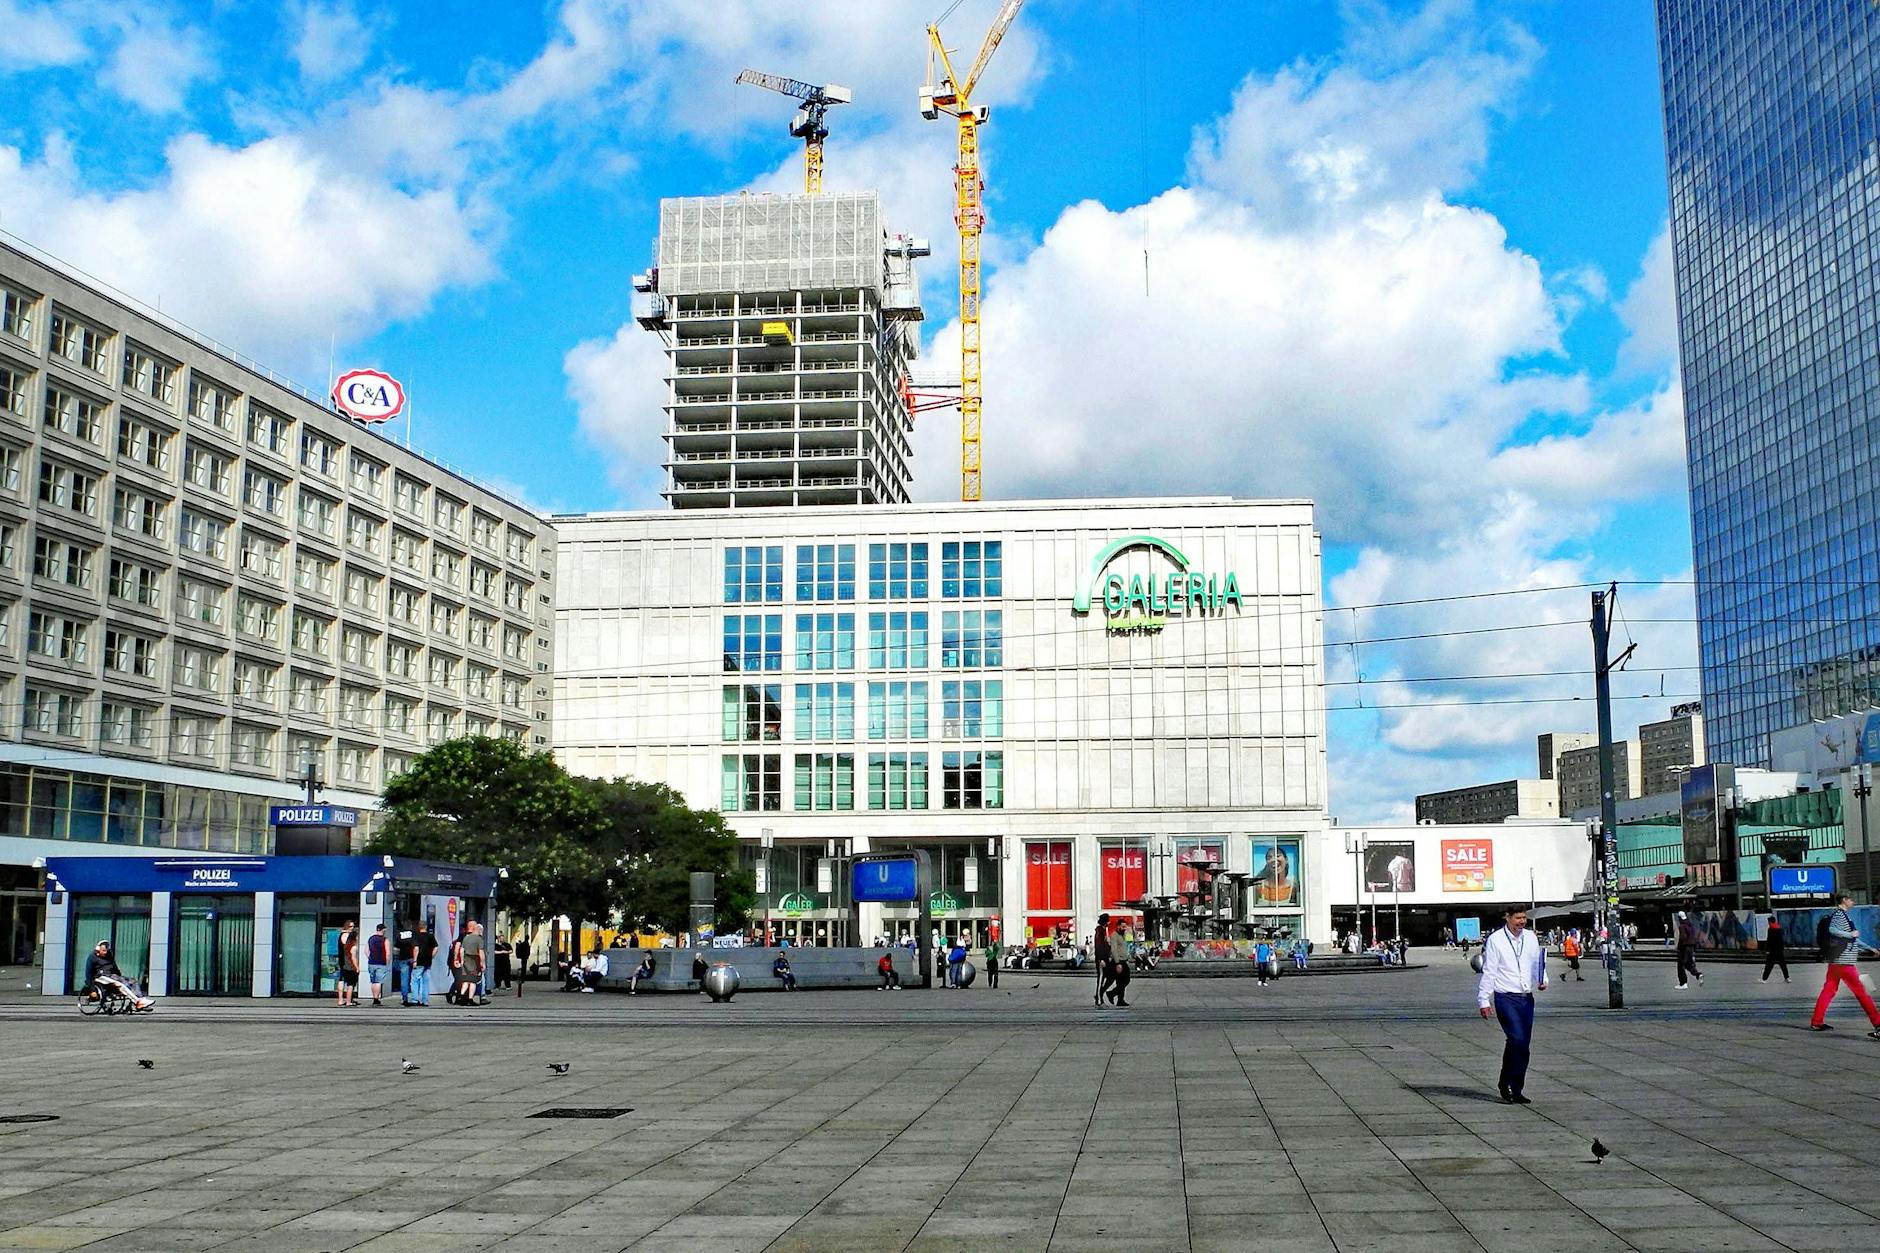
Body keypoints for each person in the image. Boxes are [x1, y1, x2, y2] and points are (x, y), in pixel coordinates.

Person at [1477, 906, 1547, 1104]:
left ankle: (1516, 1087)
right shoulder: (1496, 940)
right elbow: (1489, 970)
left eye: (1524, 918)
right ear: (1507, 918)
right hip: (1505, 996)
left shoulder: (1531, 937)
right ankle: (1505, 1082)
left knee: (1523, 1045)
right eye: (1518, 918)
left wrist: (1542, 980)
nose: (1521, 922)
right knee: (1516, 1039)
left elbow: (1537, 964)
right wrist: (1484, 999)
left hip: (1526, 997)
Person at [1809, 895, 1880, 1036]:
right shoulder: (1839, 915)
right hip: (1844, 962)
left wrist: (1869, 948)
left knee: (1828, 990)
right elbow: (1833, 930)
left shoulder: (1844, 915)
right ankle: (1878, 1024)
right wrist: (1850, 934)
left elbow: (1853, 939)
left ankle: (1816, 1021)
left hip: (1837, 961)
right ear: (1844, 900)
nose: (1853, 902)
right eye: (1851, 899)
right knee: (1863, 992)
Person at [83, 940, 153, 1011]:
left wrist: (120, 976)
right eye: (103, 950)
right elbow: (88, 974)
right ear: (98, 949)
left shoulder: (109, 954)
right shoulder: (92, 957)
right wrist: (92, 990)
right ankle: (138, 1002)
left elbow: (114, 966)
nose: (105, 952)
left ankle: (141, 998)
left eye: (106, 950)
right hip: (100, 976)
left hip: (112, 975)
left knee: (133, 981)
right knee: (120, 984)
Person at [410, 923, 437, 1007]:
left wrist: (415, 960)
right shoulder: (431, 936)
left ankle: (415, 999)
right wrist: (431, 956)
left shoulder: (417, 936)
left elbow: (416, 949)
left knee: (415, 980)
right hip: (428, 962)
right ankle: (425, 1001)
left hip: (419, 961)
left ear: (419, 927)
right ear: (426, 927)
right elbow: (436, 947)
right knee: (426, 981)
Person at [1674, 911, 1703, 988]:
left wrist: (1679, 947)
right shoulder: (1690, 925)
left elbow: (1683, 937)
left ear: (1679, 918)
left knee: (1680, 965)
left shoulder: (1682, 926)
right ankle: (1698, 974)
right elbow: (1694, 937)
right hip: (1691, 947)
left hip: (1684, 948)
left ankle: (1683, 983)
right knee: (1689, 965)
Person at [365, 923, 391, 1006]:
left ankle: (374, 998)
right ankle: (376, 999)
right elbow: (388, 953)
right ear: (383, 930)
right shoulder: (385, 940)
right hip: (381, 963)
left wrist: (370, 957)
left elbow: (366, 951)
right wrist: (387, 963)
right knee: (378, 982)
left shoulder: (371, 939)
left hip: (372, 962)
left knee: (373, 981)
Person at [336, 920, 359, 1007]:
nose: (352, 928)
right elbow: (350, 951)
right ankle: (348, 1000)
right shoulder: (348, 937)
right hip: (347, 962)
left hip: (341, 960)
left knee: (341, 980)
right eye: (350, 926)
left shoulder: (341, 935)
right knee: (350, 983)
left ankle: (340, 999)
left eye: (353, 926)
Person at [1762, 915, 1789, 983]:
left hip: (1772, 951)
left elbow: (1769, 940)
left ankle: (1764, 979)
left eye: (1768, 922)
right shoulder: (1779, 928)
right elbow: (1781, 940)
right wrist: (1782, 948)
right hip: (1779, 950)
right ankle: (1787, 978)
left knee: (1769, 965)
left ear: (1770, 922)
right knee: (1783, 965)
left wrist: (1767, 950)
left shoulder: (1770, 929)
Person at [1093, 913, 1113, 1007]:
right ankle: (1099, 999)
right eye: (1108, 920)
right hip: (1101, 958)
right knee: (1101, 978)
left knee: (1108, 976)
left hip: (1105, 957)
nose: (1109, 922)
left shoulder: (1104, 930)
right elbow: (1099, 946)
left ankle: (1099, 994)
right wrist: (1101, 959)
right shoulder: (1100, 931)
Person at [394, 929, 417, 1005]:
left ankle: (405, 998)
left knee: (404, 979)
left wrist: (397, 958)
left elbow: (396, 949)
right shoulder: (414, 934)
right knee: (415, 979)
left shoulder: (400, 935)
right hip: (413, 958)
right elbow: (416, 947)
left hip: (403, 958)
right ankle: (415, 998)